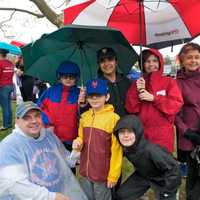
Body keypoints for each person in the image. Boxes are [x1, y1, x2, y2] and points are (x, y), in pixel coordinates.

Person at [0, 101, 88, 200]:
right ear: (17, 121)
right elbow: (15, 186)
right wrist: (51, 197)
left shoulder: (48, 136)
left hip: (60, 193)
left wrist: (77, 153)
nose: (33, 121)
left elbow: (66, 158)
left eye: (37, 116)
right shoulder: (9, 146)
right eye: (27, 118)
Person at [72, 78, 123, 200]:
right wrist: (78, 142)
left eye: (99, 95)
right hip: (85, 171)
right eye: (91, 95)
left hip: (102, 174)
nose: (94, 99)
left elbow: (117, 150)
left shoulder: (114, 119)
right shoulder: (84, 117)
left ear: (107, 96)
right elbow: (81, 137)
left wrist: (113, 175)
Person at [126, 49, 183, 153]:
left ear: (160, 62)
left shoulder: (169, 82)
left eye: (154, 61)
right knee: (144, 166)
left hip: (163, 135)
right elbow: (131, 109)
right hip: (142, 133)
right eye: (147, 61)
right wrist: (138, 92)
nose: (151, 64)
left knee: (162, 165)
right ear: (142, 64)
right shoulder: (137, 84)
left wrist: (154, 98)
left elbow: (176, 105)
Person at [114, 115, 181, 200]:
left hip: (163, 179)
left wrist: (168, 191)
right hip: (144, 175)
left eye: (130, 131)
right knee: (121, 195)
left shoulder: (151, 150)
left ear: (138, 132)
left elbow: (173, 169)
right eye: (122, 132)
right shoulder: (126, 148)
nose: (126, 135)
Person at [37, 61, 82, 154]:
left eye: (72, 76)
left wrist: (83, 102)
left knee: (69, 165)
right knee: (51, 163)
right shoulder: (50, 91)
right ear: (59, 76)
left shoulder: (80, 94)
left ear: (76, 77)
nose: (68, 79)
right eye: (65, 76)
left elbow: (83, 115)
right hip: (51, 135)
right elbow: (38, 108)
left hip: (71, 138)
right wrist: (47, 121)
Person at [175, 42, 200, 200]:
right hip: (191, 134)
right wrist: (188, 132)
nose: (193, 60)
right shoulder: (177, 83)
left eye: (197, 57)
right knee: (192, 173)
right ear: (182, 60)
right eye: (189, 57)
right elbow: (174, 114)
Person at [97, 47, 131, 117]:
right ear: (99, 65)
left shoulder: (127, 82)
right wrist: (83, 104)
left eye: (110, 59)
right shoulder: (96, 85)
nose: (106, 64)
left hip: (127, 125)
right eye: (102, 61)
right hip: (107, 126)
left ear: (116, 62)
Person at [0, 48, 14, 131]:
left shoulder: (0, 63)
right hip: (10, 85)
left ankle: (5, 125)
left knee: (5, 106)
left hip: (3, 87)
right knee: (8, 106)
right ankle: (9, 123)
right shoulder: (10, 63)